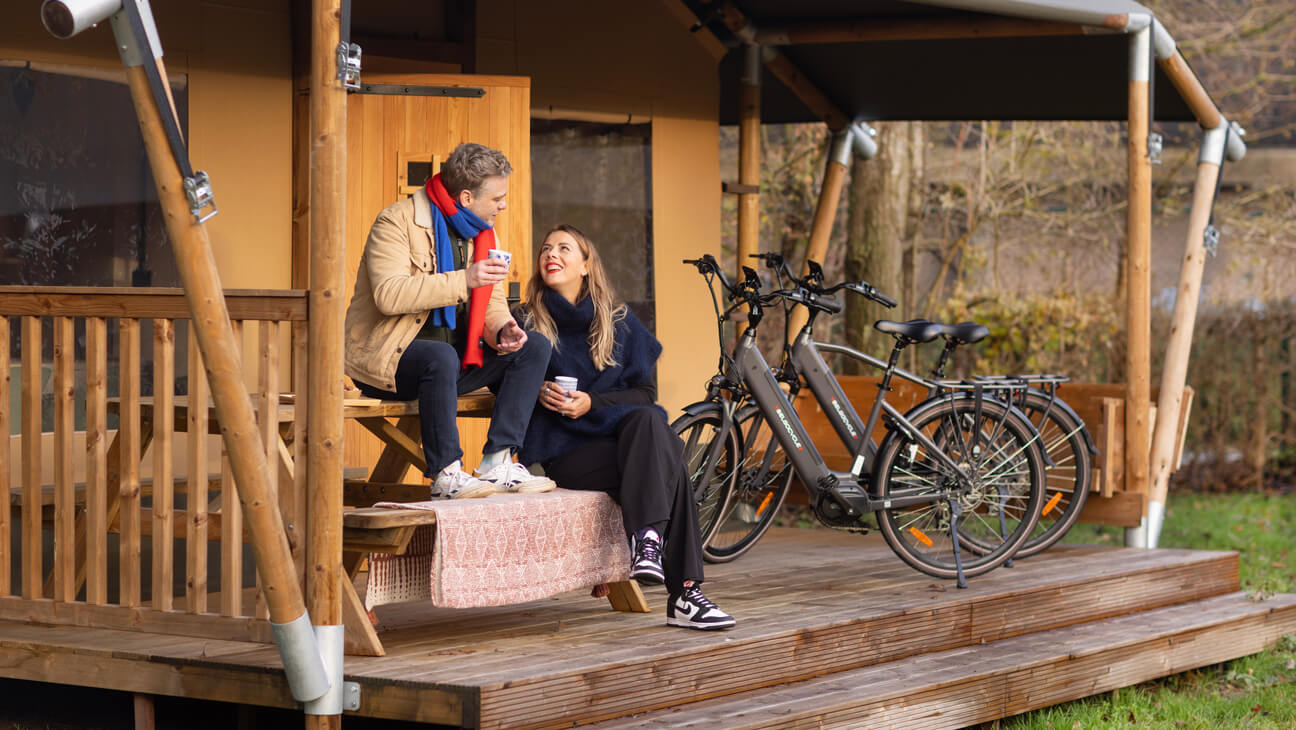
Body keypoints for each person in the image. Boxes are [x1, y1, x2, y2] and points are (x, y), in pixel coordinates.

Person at [518, 224, 735, 631]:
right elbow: (504, 383)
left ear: (586, 265)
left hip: (625, 443)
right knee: (671, 465)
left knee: (650, 421)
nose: (552, 253)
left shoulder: (618, 321)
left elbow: (644, 393)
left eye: (565, 248)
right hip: (569, 452)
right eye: (546, 248)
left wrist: (592, 403)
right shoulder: (527, 321)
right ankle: (684, 590)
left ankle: (650, 546)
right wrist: (538, 392)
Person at [344, 143, 554, 498]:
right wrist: (465, 280)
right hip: (389, 363)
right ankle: (446, 474)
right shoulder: (396, 221)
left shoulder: (484, 232)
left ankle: (497, 462)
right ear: (468, 197)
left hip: (453, 364)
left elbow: (493, 301)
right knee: (440, 357)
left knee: (533, 346)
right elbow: (388, 294)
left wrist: (502, 328)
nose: (504, 205)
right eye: (497, 198)